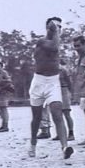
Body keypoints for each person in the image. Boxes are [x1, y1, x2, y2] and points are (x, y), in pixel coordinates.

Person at [28, 17, 74, 159]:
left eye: (58, 26)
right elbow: (53, 48)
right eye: (52, 25)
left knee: (57, 114)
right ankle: (33, 144)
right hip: (39, 81)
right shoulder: (43, 42)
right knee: (36, 118)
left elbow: (56, 50)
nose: (55, 28)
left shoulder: (57, 42)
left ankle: (64, 147)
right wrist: (56, 32)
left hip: (53, 82)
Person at [51, 59, 75, 141]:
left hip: (64, 90)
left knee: (66, 113)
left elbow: (70, 82)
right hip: (54, 91)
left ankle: (71, 133)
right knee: (56, 114)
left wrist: (72, 94)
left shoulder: (63, 70)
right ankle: (59, 133)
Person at [0, 61, 14, 132]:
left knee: (4, 109)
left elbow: (9, 81)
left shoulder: (4, 73)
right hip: (0, 93)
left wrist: (1, 83)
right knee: (1, 109)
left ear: (1, 67)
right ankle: (3, 125)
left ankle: (6, 126)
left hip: (4, 92)